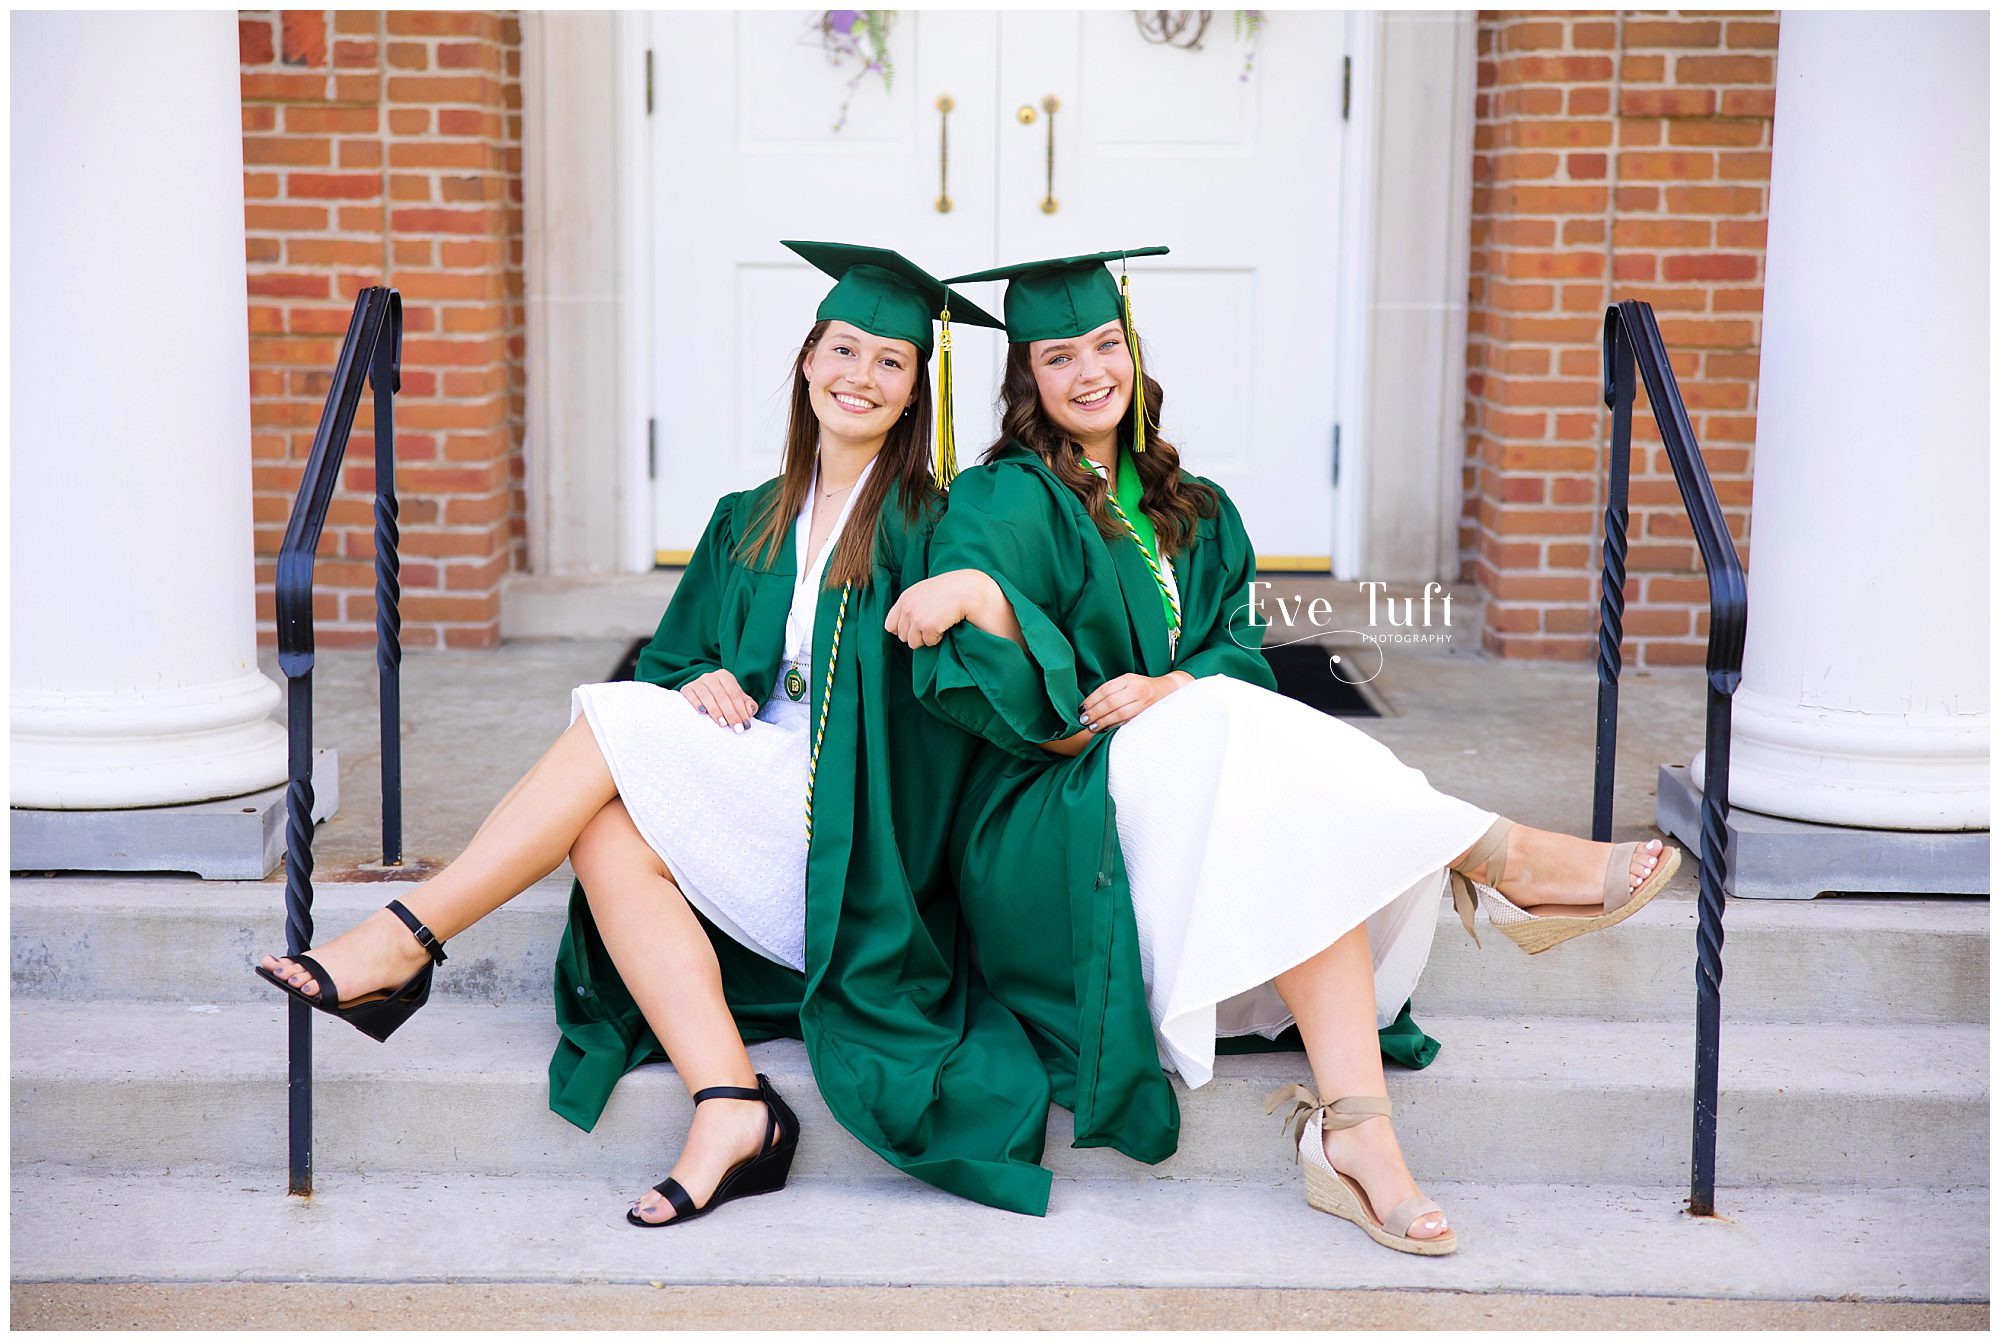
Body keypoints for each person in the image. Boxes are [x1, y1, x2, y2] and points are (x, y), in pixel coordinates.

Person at [885, 248, 1679, 1255]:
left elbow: (1239, 656)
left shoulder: (1197, 507)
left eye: (1105, 344)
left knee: (1252, 762)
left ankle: (1357, 1142)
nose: (1089, 373)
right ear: (1024, 380)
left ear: (1131, 348)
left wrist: (1176, 688)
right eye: (1056, 357)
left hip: (1199, 807)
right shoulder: (1003, 497)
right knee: (1226, 731)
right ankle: (1495, 855)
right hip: (1056, 816)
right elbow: (976, 649)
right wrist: (985, 598)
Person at [258, 242, 1057, 1226]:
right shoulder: (742, 523)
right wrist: (701, 679)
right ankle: (729, 1104)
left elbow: (986, 667)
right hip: (754, 806)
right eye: (843, 351)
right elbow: (670, 667)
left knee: (614, 718)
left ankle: (408, 937)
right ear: (807, 362)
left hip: (855, 841)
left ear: (912, 395)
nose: (860, 377)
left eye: (889, 362)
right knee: (603, 823)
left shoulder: (937, 526)